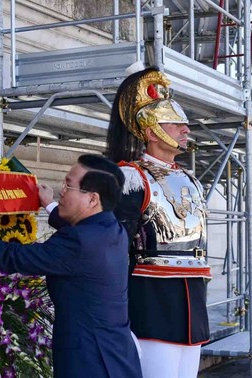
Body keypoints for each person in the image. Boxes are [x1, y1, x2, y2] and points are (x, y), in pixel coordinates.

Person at [0, 154, 143, 378]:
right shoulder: (112, 228)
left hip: (90, 361)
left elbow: (13, 257)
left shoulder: (79, 242)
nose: (62, 190)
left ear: (92, 199)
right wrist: (49, 205)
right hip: (117, 353)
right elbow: (78, 227)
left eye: (69, 186)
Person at [106, 67, 212, 378]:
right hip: (153, 301)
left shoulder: (191, 179)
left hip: (193, 300)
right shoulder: (132, 176)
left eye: (185, 124)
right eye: (176, 123)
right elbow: (116, 248)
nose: (185, 129)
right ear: (152, 132)